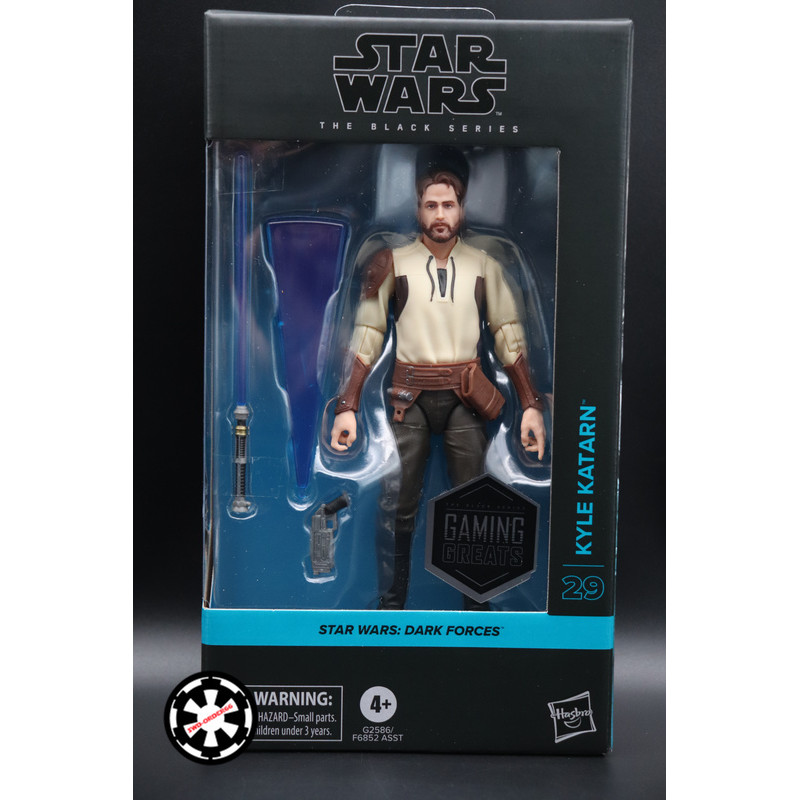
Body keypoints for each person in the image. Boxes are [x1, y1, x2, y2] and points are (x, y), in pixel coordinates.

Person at [331, 169, 546, 609]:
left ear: (461, 209)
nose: (440, 214)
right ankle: (391, 605)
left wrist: (530, 404)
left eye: (448, 205)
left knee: (475, 502)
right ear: (419, 209)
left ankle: (476, 606)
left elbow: (508, 334)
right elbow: (368, 334)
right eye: (432, 205)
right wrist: (348, 404)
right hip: (407, 397)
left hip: (467, 397)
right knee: (395, 503)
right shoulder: (393, 262)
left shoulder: (484, 265)